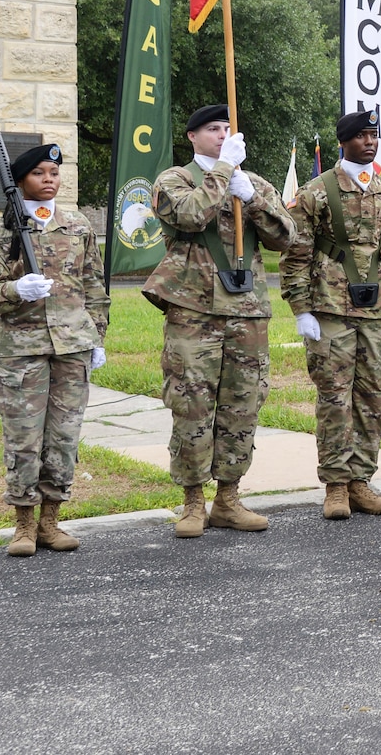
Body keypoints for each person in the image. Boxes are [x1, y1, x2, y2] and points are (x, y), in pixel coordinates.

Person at [144, 104, 294, 538]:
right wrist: (224, 169)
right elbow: (190, 216)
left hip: (246, 310)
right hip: (193, 310)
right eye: (212, 129)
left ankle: (228, 498)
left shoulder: (253, 182)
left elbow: (286, 237)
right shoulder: (174, 180)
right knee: (192, 403)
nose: (221, 135)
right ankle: (192, 502)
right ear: (192, 137)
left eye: (227, 129)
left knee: (242, 403)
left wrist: (254, 198)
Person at [0, 143, 109, 557]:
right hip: (20, 350)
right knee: (23, 440)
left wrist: (97, 338)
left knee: (64, 438)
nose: (49, 180)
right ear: (19, 181)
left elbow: (94, 288)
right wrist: (16, 289)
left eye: (54, 172)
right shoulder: (1, 235)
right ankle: (23, 525)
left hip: (72, 346)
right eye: (39, 173)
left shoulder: (78, 227)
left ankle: (51, 522)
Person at [281, 109, 381, 521]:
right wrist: (301, 309)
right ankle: (335, 486)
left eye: (374, 135)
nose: (369, 142)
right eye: (361, 136)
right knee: (335, 397)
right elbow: (295, 255)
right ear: (344, 141)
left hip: (373, 309)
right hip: (329, 307)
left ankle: (360, 482)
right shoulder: (317, 192)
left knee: (370, 396)